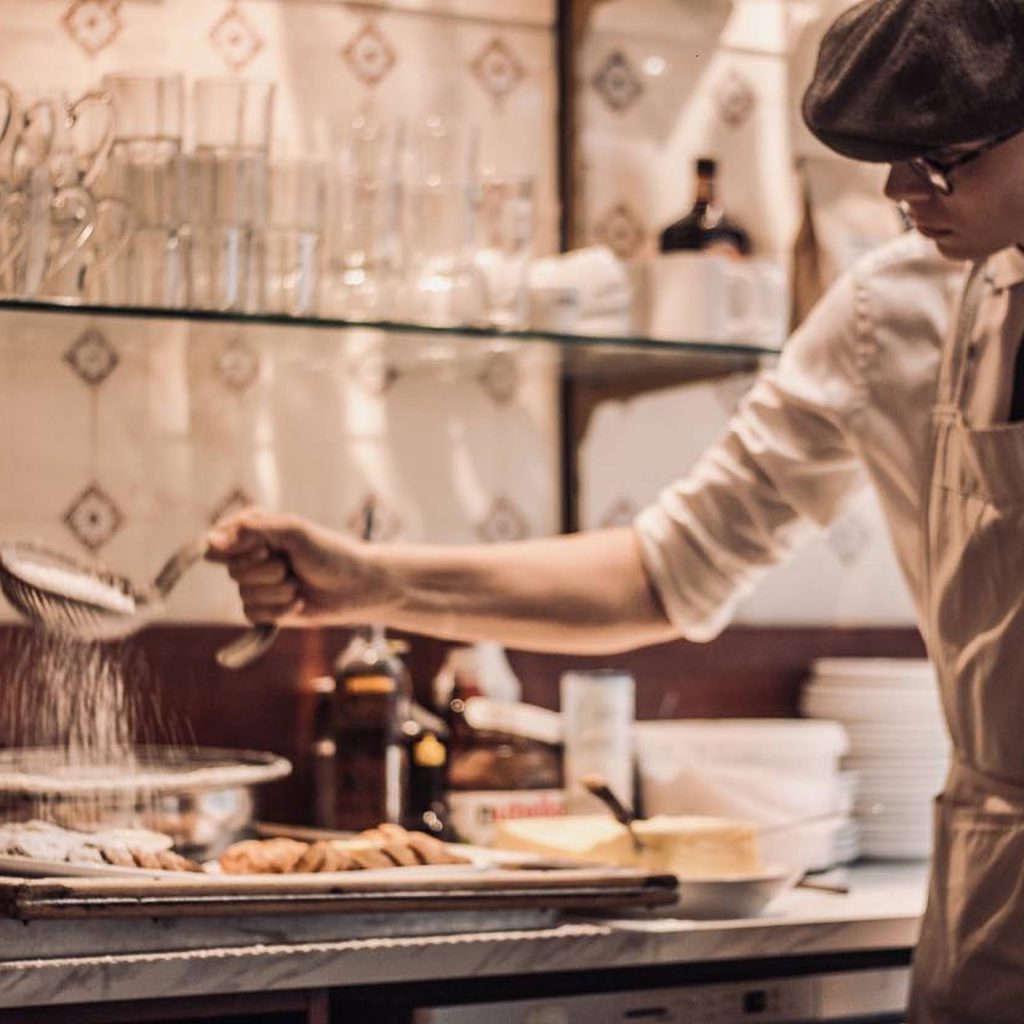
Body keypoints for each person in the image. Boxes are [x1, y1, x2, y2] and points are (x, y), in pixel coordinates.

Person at [207, 2, 1024, 1020]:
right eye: (888, 157)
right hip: (1000, 906)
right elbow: (665, 569)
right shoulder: (890, 313)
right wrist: (370, 583)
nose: (902, 190)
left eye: (940, 157)